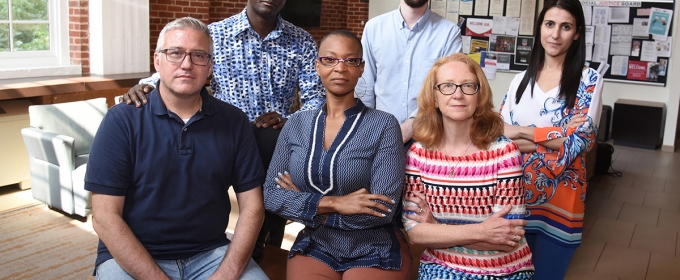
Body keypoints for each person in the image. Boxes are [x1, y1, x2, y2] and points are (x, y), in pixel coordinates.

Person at [121, 0, 324, 261]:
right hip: (220, 133)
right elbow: (182, 65)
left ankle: (262, 241)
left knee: (271, 143)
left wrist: (289, 120)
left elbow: (316, 98)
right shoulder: (215, 34)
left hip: (274, 140)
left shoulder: (302, 41)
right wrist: (146, 85)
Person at [85, 17, 268, 279]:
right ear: (157, 61)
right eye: (175, 53)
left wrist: (227, 273)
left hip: (210, 252)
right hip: (132, 254)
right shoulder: (121, 120)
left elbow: (252, 207)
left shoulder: (234, 122)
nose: (186, 64)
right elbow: (104, 217)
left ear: (210, 67)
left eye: (198, 56)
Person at [263, 30, 411, 279]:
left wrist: (308, 207)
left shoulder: (384, 125)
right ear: (317, 66)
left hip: (373, 245)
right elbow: (271, 196)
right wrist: (334, 203)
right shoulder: (296, 124)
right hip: (316, 244)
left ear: (361, 68)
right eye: (330, 59)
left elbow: (383, 209)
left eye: (350, 60)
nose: (340, 68)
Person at [402, 53, 535, 279]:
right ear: (434, 97)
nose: (458, 95)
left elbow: (507, 239)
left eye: (468, 86)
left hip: (505, 270)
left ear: (479, 95)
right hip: (440, 267)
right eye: (447, 86)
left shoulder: (505, 153)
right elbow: (415, 234)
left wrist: (437, 228)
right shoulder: (419, 154)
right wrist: (482, 231)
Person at [499, 0, 603, 278]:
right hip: (514, 197)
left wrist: (521, 132)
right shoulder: (519, 81)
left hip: (560, 203)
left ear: (577, 33)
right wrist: (557, 137)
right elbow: (500, 139)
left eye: (565, 27)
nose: (555, 34)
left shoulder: (588, 80)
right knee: (510, 273)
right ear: (540, 27)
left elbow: (579, 143)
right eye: (549, 24)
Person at [358, 0, 463, 143]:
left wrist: (413, 124)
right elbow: (364, 85)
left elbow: (449, 88)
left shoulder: (449, 33)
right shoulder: (374, 28)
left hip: (429, 136)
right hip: (379, 135)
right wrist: (365, 129)